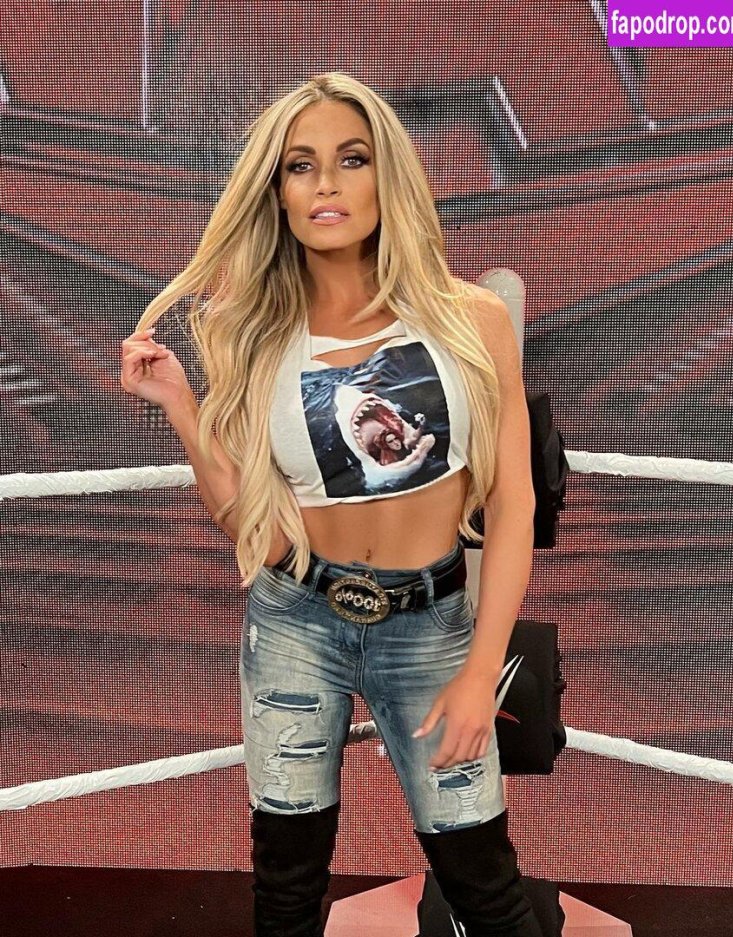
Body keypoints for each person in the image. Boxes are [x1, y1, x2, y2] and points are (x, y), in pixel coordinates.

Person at [120, 72, 541, 937]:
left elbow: (514, 504)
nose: (326, 184)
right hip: (296, 619)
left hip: (432, 626)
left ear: (387, 174)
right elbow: (251, 523)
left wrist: (479, 672)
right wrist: (183, 409)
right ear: (276, 191)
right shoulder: (252, 329)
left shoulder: (472, 318)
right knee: (286, 883)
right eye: (300, 165)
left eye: (352, 159)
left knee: (484, 882)